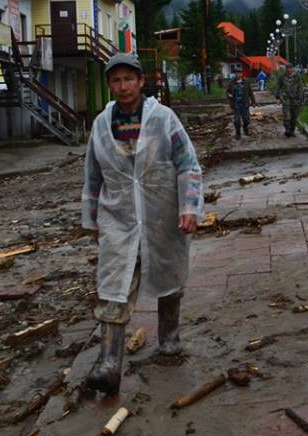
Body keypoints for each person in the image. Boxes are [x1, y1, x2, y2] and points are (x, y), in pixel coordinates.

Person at [82, 52, 203, 395]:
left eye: (128, 79)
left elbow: (188, 164)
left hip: (162, 214)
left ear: (140, 81)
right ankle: (109, 364)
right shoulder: (102, 125)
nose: (123, 87)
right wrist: (93, 223)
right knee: (112, 284)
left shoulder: (164, 119)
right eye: (116, 80)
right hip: (117, 218)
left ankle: (170, 340)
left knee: (169, 276)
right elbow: (92, 175)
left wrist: (189, 207)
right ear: (110, 85)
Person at [275, 63, 304, 137]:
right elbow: (278, 87)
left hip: (295, 99)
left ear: (293, 69)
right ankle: (287, 130)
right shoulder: (282, 77)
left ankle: (292, 131)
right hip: (286, 99)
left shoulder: (297, 77)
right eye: (288, 68)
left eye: (290, 68)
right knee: (287, 116)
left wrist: (300, 98)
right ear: (286, 69)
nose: (289, 70)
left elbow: (300, 88)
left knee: (294, 117)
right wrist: (277, 97)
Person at [226, 71, 256, 139]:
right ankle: (238, 134)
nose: (238, 74)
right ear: (235, 74)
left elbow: (250, 92)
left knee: (246, 120)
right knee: (237, 121)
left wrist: (253, 102)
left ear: (242, 74)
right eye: (236, 73)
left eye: (239, 73)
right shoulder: (231, 83)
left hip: (245, 104)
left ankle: (246, 130)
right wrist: (229, 95)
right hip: (236, 105)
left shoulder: (246, 82)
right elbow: (227, 92)